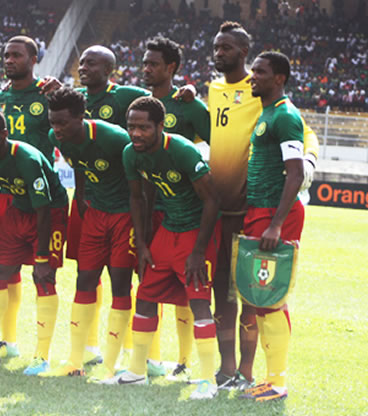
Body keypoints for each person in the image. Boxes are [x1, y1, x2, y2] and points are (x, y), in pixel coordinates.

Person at [204, 21, 319, 389]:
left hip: (262, 212)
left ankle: (264, 377)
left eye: (226, 47)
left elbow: (302, 144)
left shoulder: (279, 110)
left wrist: (308, 164)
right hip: (231, 210)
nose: (219, 53)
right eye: (216, 46)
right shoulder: (216, 91)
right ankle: (232, 372)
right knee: (229, 291)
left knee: (263, 298)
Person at [102, 96, 221, 401]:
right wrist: (142, 243)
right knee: (145, 296)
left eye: (143, 127)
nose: (135, 133)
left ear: (160, 126)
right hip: (168, 230)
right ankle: (136, 372)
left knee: (198, 301)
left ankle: (208, 380)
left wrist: (199, 251)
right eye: (131, 127)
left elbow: (212, 201)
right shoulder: (131, 153)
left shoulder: (182, 150)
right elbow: (137, 198)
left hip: (196, 232)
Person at [0, 109, 68, 375]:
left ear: (4, 134)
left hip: (50, 213)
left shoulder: (26, 159)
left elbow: (44, 209)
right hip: (17, 210)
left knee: (44, 278)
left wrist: (42, 259)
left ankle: (41, 357)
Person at [43, 87, 135, 378]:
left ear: (80, 117)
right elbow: (79, 166)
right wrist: (82, 197)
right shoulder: (56, 138)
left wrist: (141, 221)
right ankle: (75, 361)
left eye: (62, 123)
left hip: (124, 216)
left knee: (120, 284)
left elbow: (140, 176)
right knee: (84, 280)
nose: (57, 129)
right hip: (94, 215)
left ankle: (111, 365)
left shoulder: (114, 138)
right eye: (53, 122)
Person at [73, 45, 151, 365]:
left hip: (125, 203)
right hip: (91, 203)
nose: (83, 67)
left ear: (109, 70)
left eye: (91, 63)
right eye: (81, 62)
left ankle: (127, 352)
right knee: (87, 275)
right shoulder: (76, 100)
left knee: (124, 279)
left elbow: (156, 101)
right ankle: (87, 349)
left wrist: (181, 93)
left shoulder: (124, 96)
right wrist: (80, 193)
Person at [141, 35, 211, 379]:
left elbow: (220, 144)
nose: (146, 69)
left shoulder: (188, 106)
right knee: (148, 284)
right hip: (149, 209)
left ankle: (185, 360)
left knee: (188, 287)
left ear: (171, 68)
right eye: (144, 63)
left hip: (182, 213)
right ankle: (149, 359)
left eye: (153, 64)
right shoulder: (137, 103)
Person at [238, 51, 305, 401]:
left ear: (279, 78)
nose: (253, 76)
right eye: (253, 70)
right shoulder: (266, 113)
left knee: (271, 297)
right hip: (260, 211)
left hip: (275, 214)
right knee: (260, 297)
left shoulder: (285, 116)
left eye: (260, 72)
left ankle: (277, 382)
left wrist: (276, 224)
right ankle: (270, 379)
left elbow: (295, 174)